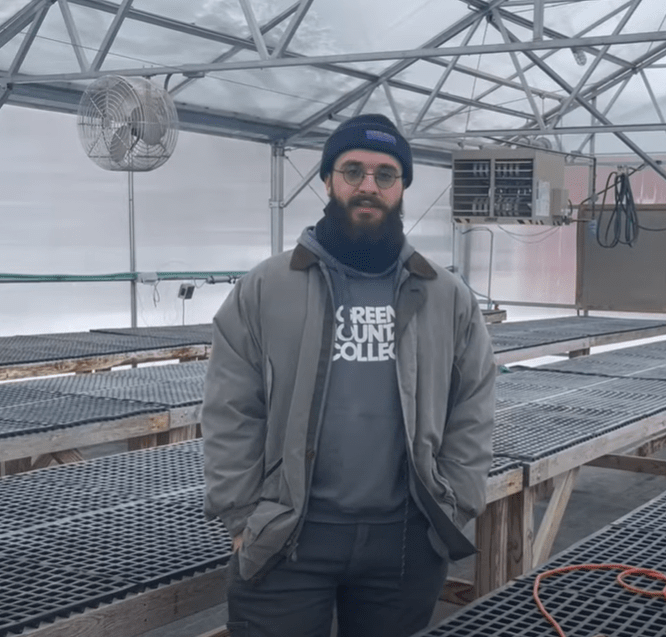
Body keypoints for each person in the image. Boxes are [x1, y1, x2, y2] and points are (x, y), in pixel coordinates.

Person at [200, 113, 497, 637]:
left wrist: (456, 501)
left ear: (403, 186)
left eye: (386, 174)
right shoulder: (267, 286)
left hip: (404, 539)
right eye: (352, 170)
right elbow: (231, 407)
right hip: (289, 535)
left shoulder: (445, 295)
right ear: (327, 179)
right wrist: (243, 516)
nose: (368, 186)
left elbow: (472, 404)